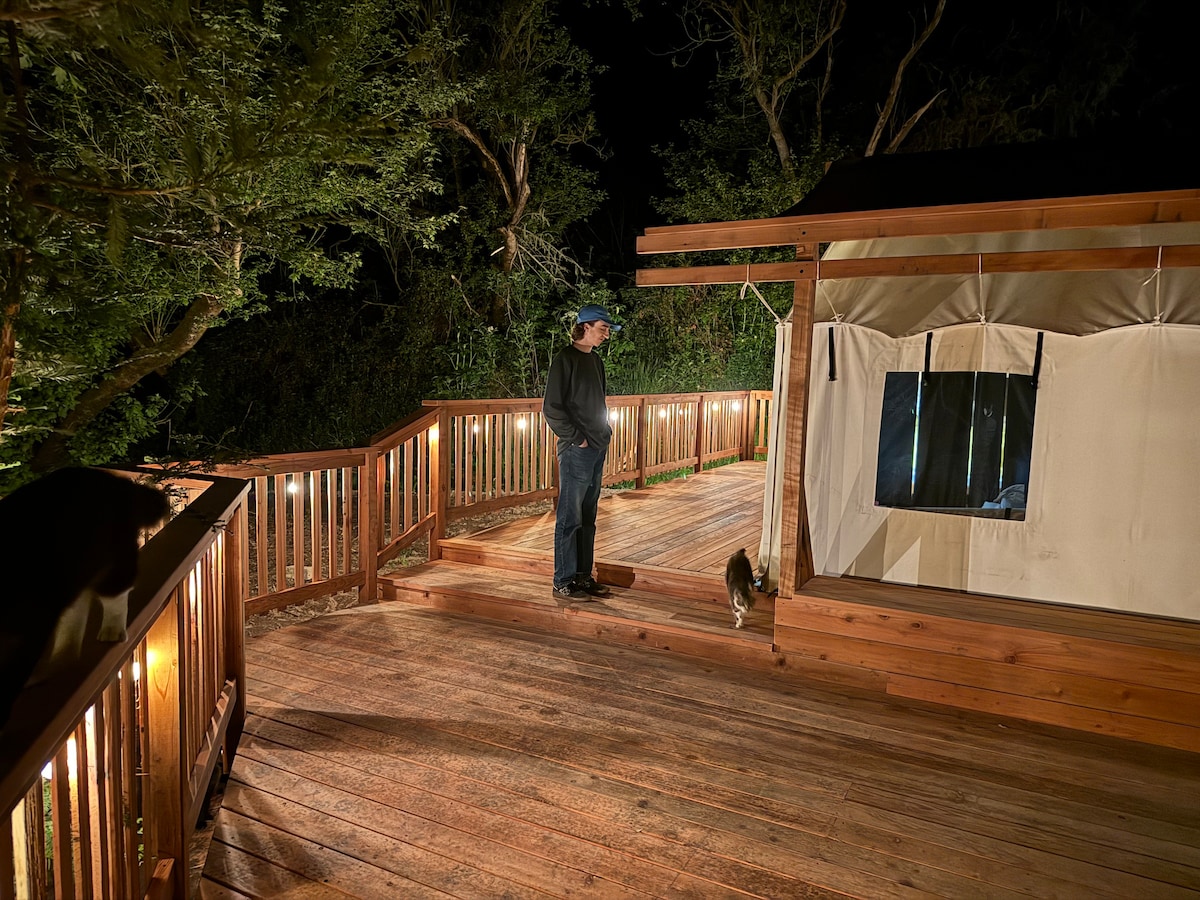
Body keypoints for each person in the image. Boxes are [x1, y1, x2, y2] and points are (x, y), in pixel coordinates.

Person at [542, 304, 621, 601]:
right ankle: (562, 581)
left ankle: (582, 577)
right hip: (577, 450)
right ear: (585, 326)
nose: (605, 335)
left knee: (588, 516)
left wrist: (605, 433)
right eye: (603, 329)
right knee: (570, 517)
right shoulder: (565, 359)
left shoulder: (596, 361)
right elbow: (551, 408)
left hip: (597, 446)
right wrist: (577, 439)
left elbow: (598, 401)